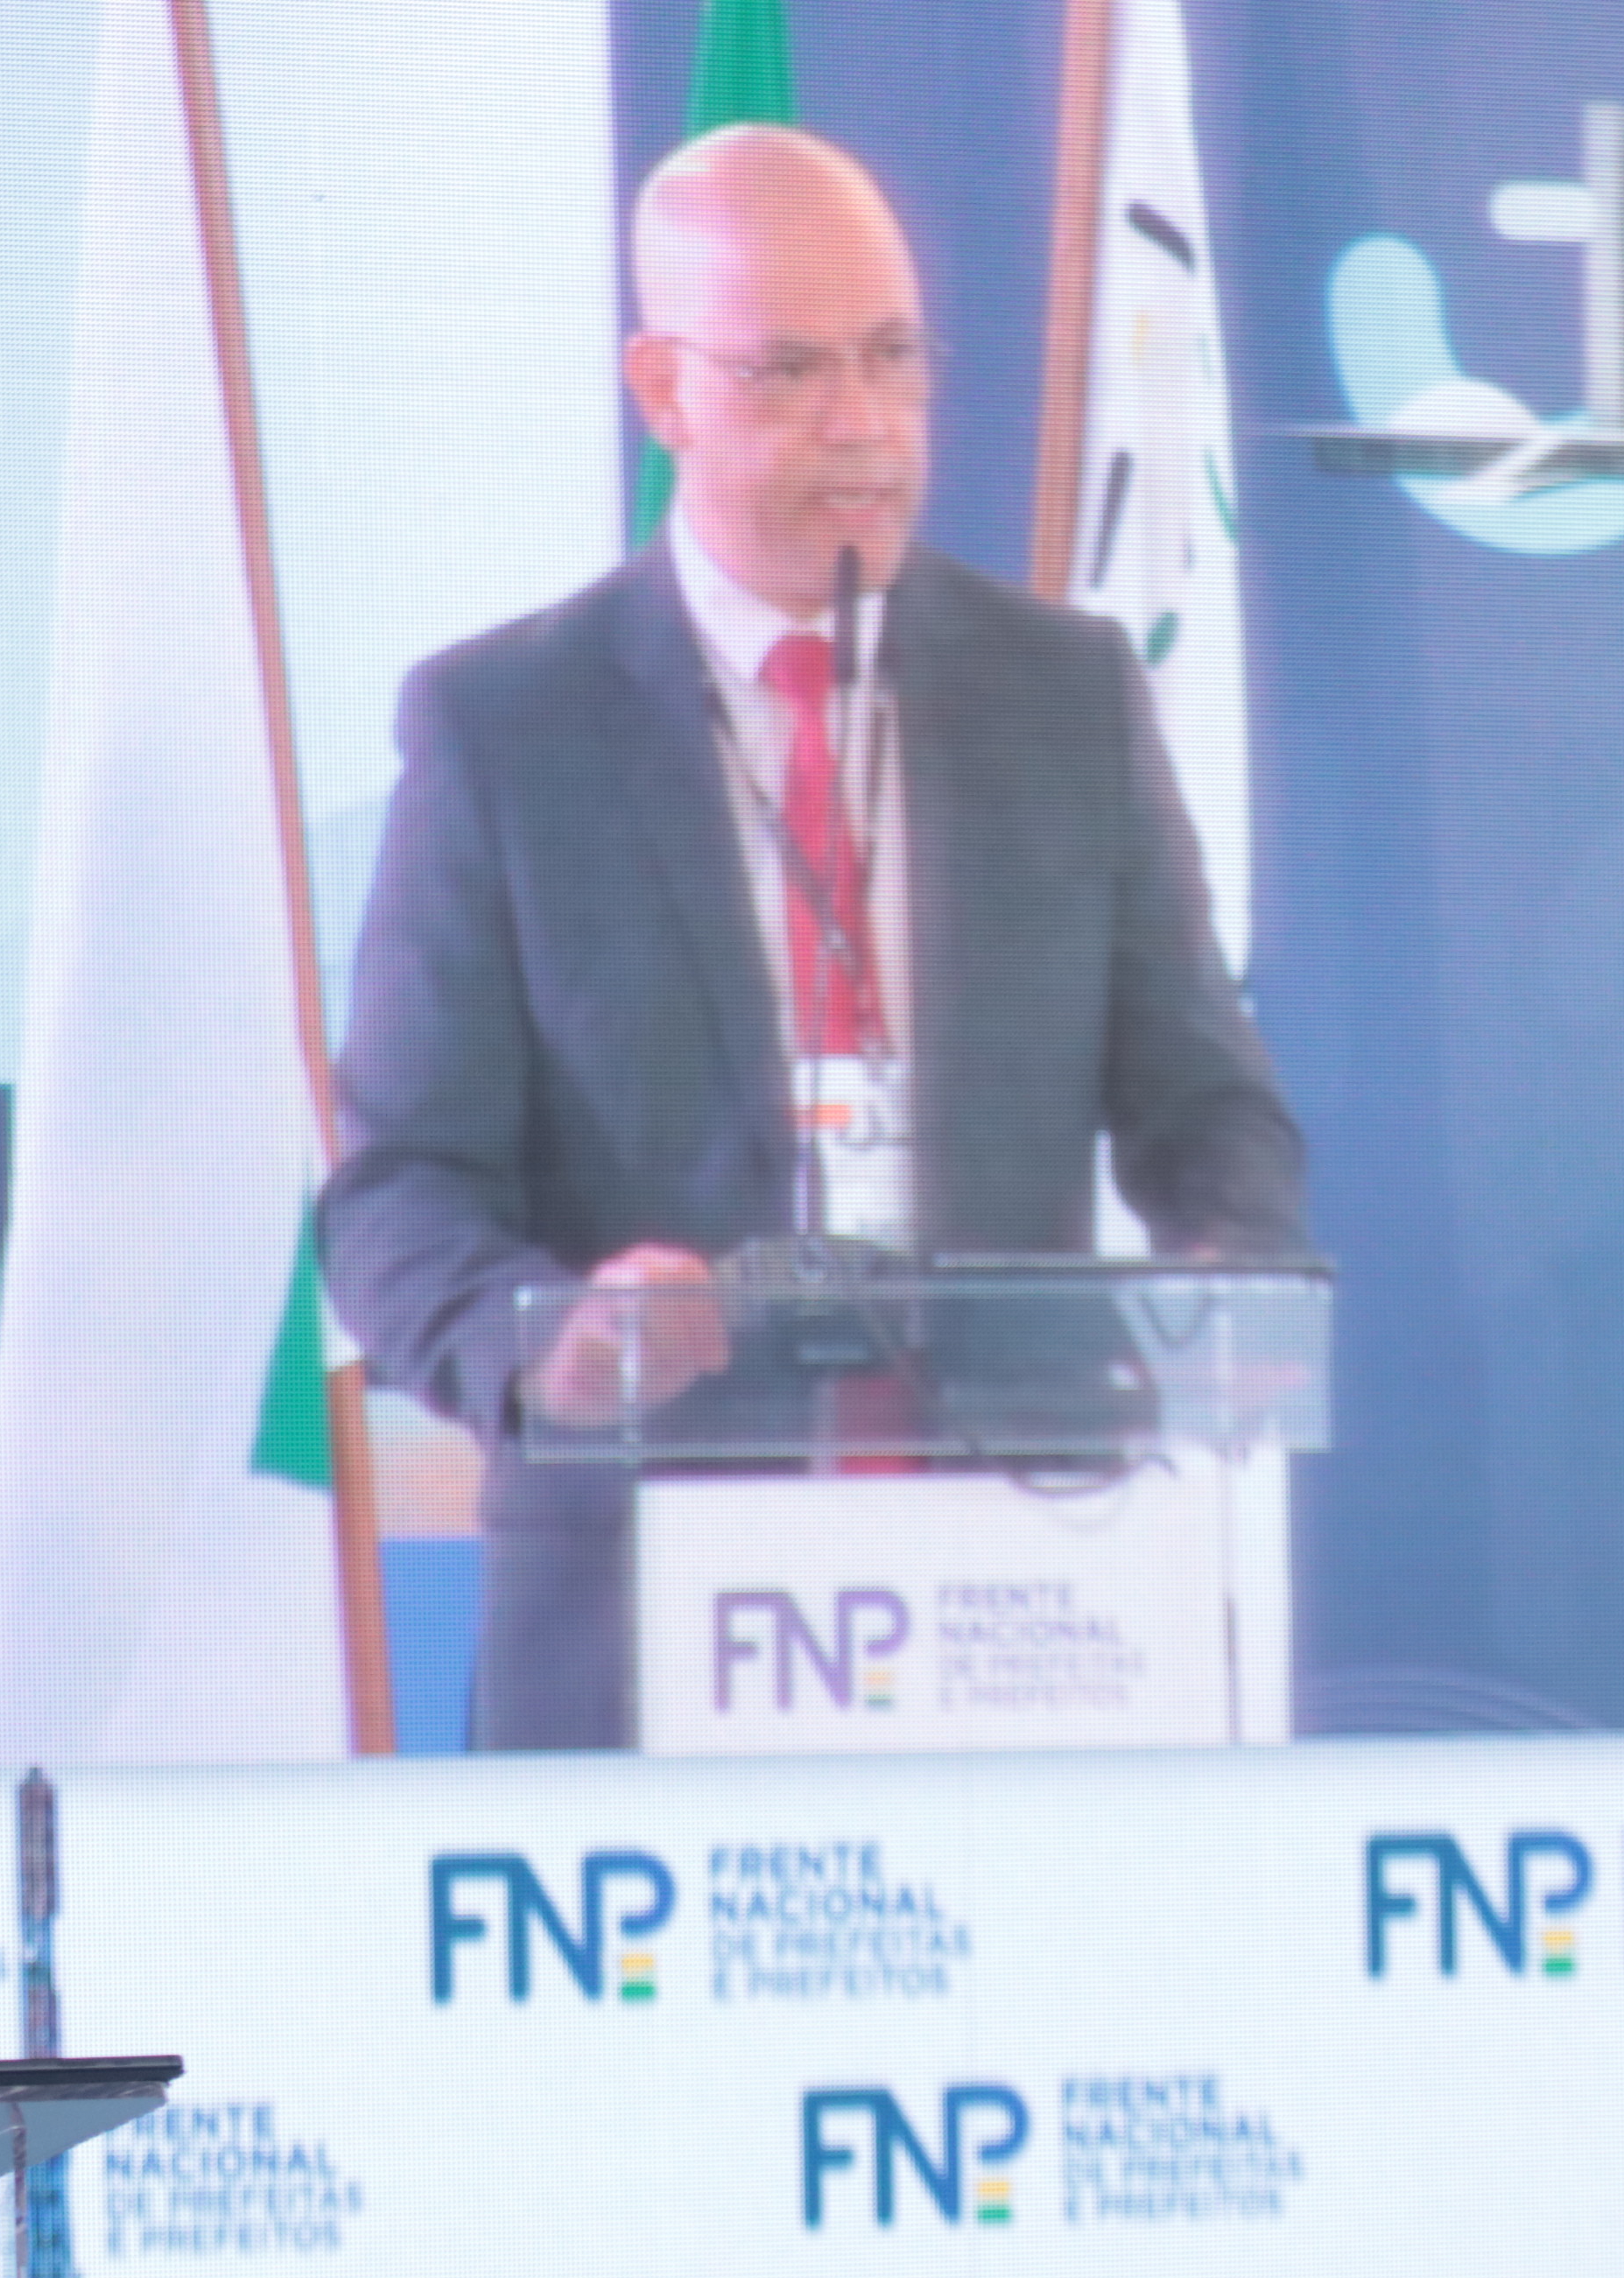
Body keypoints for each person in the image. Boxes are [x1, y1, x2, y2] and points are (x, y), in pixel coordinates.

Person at [319, 126, 1306, 1750]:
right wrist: (554, 1341)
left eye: (894, 358)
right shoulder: (504, 731)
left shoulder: (1066, 697)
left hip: (1026, 1619)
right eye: (789, 372)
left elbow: (1209, 1106)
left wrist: (1233, 1268)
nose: (864, 424)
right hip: (646, 1636)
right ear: (663, 391)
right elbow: (396, 1198)